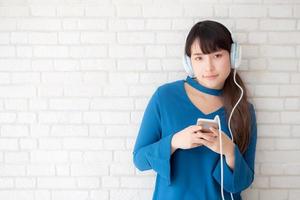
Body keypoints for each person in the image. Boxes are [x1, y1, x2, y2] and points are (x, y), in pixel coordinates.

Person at [132, 20, 257, 200]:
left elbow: (244, 182)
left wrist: (229, 150)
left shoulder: (242, 108)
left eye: (217, 55)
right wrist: (174, 142)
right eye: (199, 58)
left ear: (233, 56)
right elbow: (140, 160)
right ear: (189, 62)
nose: (209, 67)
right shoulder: (165, 97)